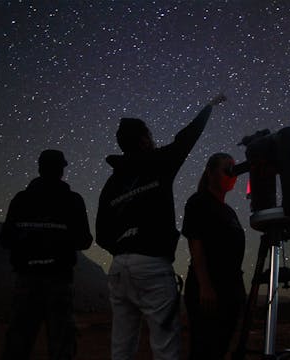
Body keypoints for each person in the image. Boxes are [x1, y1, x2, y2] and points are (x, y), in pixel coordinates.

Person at [95, 94, 227, 360]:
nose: (153, 139)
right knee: (165, 346)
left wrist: (124, 246)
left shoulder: (112, 183)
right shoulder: (159, 161)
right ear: (144, 139)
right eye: (150, 135)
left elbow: (101, 232)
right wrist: (208, 107)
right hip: (152, 266)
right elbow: (186, 139)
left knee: (122, 347)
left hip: (119, 268)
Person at [0, 149, 93, 360]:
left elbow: (5, 239)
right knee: (61, 342)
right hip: (59, 279)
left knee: (17, 341)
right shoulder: (73, 200)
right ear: (62, 170)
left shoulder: (21, 199)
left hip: (26, 278)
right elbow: (85, 240)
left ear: (39, 168)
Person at [182, 153, 246, 360]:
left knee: (220, 348)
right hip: (209, 289)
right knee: (204, 350)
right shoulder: (198, 202)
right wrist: (205, 285)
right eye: (227, 168)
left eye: (234, 168)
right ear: (210, 173)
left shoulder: (229, 211)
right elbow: (196, 245)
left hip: (231, 287)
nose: (233, 172)